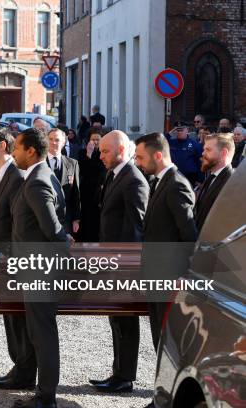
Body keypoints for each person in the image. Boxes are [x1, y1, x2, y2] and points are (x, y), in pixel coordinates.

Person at [10, 127, 69, 408]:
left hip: (40, 269)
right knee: (40, 331)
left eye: (17, 148)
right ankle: (43, 393)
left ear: (31, 150)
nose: (13, 153)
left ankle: (46, 397)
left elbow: (52, 228)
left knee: (42, 333)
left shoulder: (37, 182)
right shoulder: (43, 174)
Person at [88, 130, 149, 393]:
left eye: (105, 151)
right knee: (117, 321)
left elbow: (136, 227)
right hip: (112, 261)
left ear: (122, 150)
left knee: (125, 321)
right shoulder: (116, 175)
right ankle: (118, 373)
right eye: (100, 150)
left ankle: (124, 377)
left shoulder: (134, 180)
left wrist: (124, 266)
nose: (100, 156)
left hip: (123, 265)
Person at [0, 128, 36, 390]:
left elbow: (19, 224)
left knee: (18, 317)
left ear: (2, 146)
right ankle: (18, 366)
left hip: (13, 258)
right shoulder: (3, 174)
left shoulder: (16, 176)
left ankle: (25, 371)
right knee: (10, 317)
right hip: (3, 256)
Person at [134, 132, 198, 350]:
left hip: (170, 278)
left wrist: (185, 274)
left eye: (141, 157)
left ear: (158, 156)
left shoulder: (176, 185)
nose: (137, 162)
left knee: (170, 343)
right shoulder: (161, 182)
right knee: (160, 340)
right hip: (158, 276)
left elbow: (189, 234)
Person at [194, 133, 234, 232]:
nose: (203, 153)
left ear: (223, 153)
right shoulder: (211, 177)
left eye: (208, 150)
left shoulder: (231, 183)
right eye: (204, 149)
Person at [47, 129, 81, 236]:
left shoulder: (72, 163)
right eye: (51, 139)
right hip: (45, 216)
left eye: (57, 140)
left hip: (65, 218)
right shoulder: (39, 162)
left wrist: (76, 219)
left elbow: (76, 192)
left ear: (63, 142)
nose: (53, 142)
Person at [76, 129, 106, 242]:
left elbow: (100, 171)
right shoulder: (82, 153)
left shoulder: (103, 153)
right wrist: (88, 154)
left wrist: (91, 158)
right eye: (93, 139)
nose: (95, 142)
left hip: (97, 190)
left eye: (98, 139)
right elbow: (83, 171)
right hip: (85, 190)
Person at [168, 121, 203, 185]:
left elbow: (200, 163)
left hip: (190, 178)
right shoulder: (171, 143)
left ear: (187, 130)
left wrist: (200, 179)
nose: (179, 132)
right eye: (177, 130)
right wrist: (169, 134)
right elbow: (160, 142)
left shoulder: (194, 144)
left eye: (181, 130)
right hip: (173, 177)